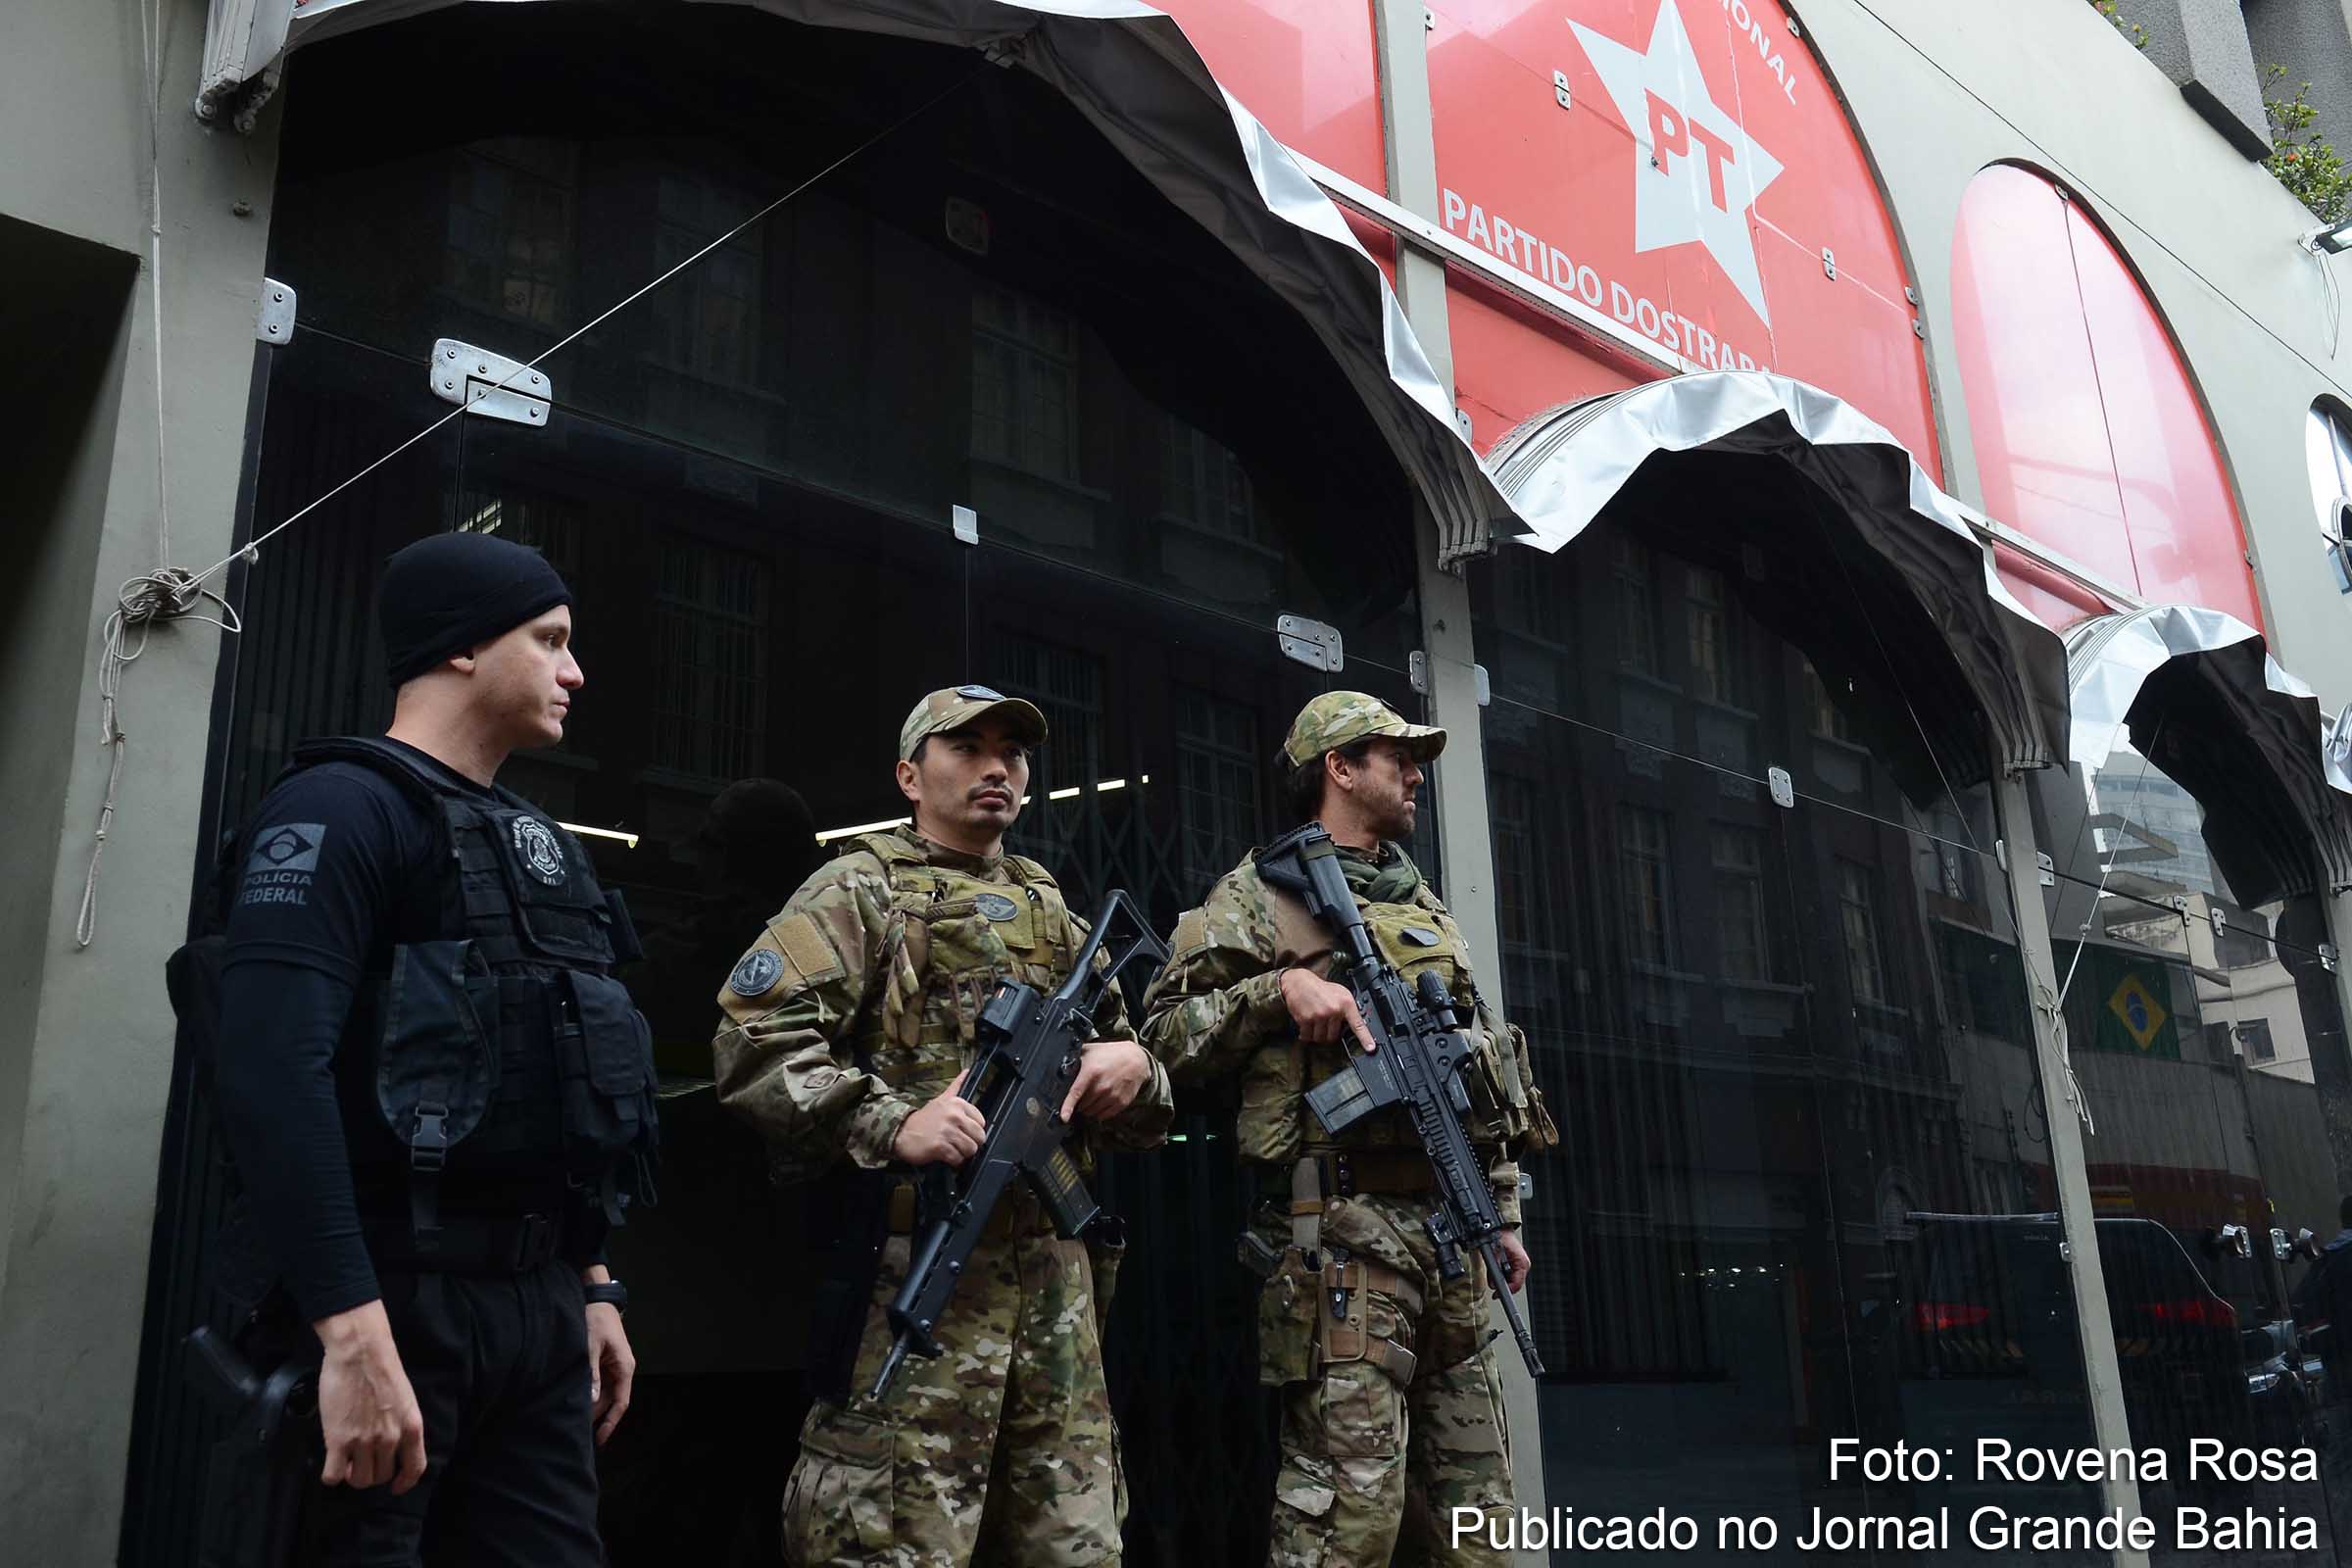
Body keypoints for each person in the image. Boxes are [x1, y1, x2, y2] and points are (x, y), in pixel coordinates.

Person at [209, 530, 658, 1565]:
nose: (574, 669)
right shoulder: (338, 811)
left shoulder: (533, 845)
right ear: (461, 646)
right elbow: (273, 1077)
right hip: (389, 1297)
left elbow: (565, 1075)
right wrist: (349, 1335)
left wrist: (588, 1281)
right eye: (549, 639)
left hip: (536, 1309)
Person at [711, 684, 1172, 1568]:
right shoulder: (860, 889)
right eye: (966, 748)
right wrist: (892, 1123)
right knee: (892, 1543)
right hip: (916, 1278)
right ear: (909, 776)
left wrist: (1136, 1069)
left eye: (1013, 752)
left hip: (1056, 1306)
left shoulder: (1051, 907)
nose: (996, 767)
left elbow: (1145, 1093)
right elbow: (752, 1043)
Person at [1138, 690, 1556, 1568]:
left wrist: (1503, 1210)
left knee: (1482, 1522)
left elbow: (1479, 1076)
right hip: (1341, 1241)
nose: (1414, 776)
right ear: (1338, 767)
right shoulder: (1259, 895)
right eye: (1395, 758)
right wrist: (1277, 993)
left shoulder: (1425, 907)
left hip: (1451, 1240)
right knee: (1347, 1524)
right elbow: (1159, 1039)